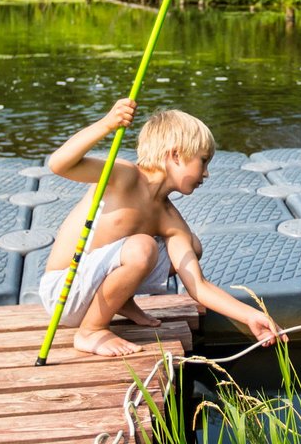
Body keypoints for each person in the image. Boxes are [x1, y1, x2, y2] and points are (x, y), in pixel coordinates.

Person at [39, 98, 284, 356]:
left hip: (91, 292)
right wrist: (107, 123)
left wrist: (251, 315)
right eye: (203, 161)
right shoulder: (124, 175)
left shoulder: (168, 216)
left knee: (192, 245)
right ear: (175, 155)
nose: (207, 174)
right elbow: (59, 164)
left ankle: (119, 301)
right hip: (64, 293)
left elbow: (197, 285)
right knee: (142, 247)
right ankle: (91, 331)